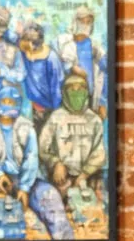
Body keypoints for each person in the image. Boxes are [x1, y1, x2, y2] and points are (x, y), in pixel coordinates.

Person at [0, 87, 73, 240]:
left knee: (50, 195)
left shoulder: (27, 128)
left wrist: (24, 188)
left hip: (24, 178)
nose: (8, 105)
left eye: (12, 101)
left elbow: (31, 157)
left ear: (18, 104)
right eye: (4, 101)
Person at [38, 69, 107, 201]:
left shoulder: (94, 120)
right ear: (64, 93)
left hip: (87, 177)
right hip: (60, 177)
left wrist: (84, 175)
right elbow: (42, 147)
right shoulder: (56, 117)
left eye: (80, 89)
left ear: (87, 93)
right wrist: (56, 163)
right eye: (72, 90)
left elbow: (99, 153)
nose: (77, 94)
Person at [18, 21, 65, 123]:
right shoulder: (24, 51)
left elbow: (56, 88)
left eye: (30, 50)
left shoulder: (51, 59)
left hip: (49, 107)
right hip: (34, 105)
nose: (29, 54)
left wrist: (56, 112)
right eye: (25, 49)